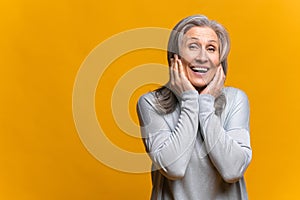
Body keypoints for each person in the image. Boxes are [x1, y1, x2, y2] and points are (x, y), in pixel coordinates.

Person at [137, 14, 252, 200]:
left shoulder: (236, 100)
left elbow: (233, 170)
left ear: (220, 61)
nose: (202, 57)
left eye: (211, 48)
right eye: (192, 47)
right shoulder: (151, 103)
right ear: (175, 58)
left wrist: (205, 104)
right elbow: (173, 168)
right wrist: (190, 100)